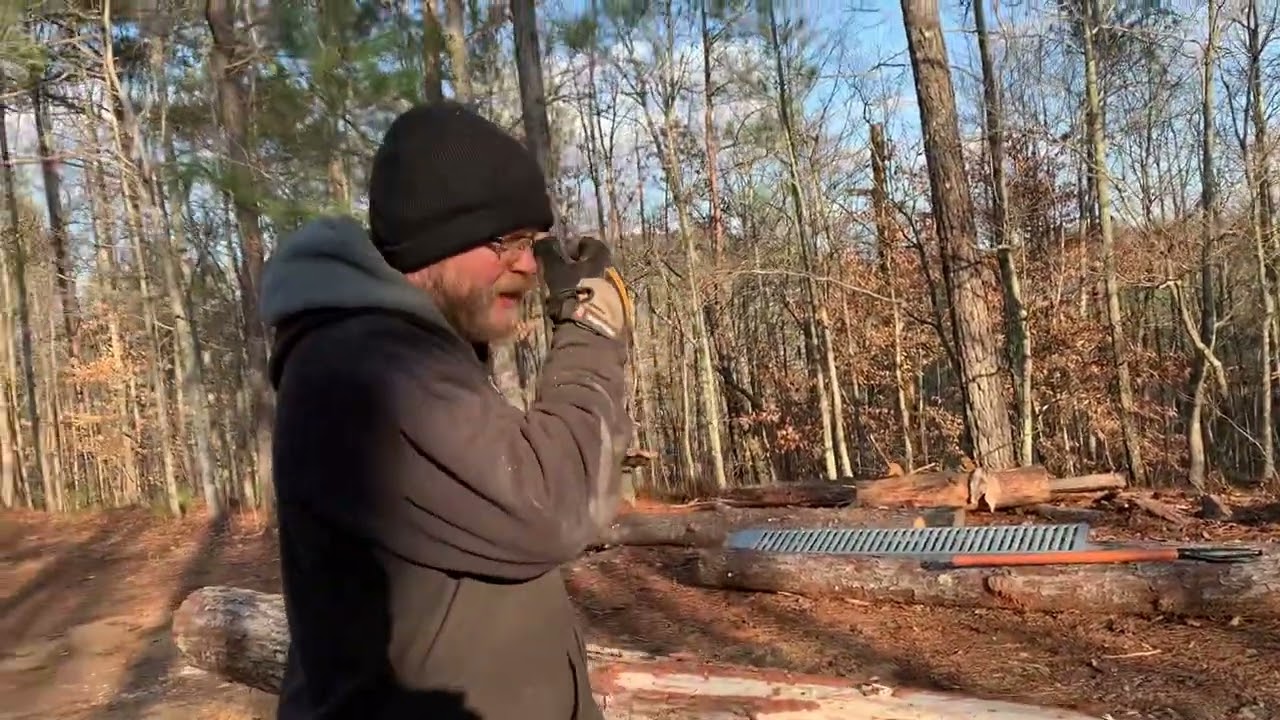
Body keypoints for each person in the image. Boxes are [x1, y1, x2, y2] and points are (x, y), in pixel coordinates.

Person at [258, 100, 634, 720]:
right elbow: (554, 503)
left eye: (533, 240)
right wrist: (591, 331)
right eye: (502, 240)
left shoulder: (401, 351)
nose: (527, 264)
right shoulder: (363, 370)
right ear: (430, 243)